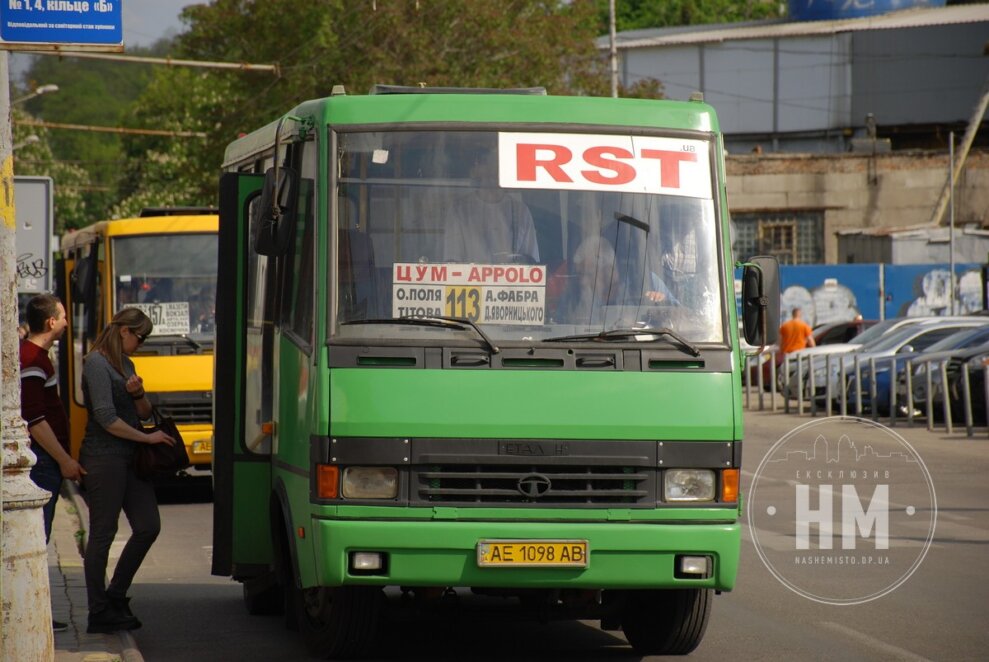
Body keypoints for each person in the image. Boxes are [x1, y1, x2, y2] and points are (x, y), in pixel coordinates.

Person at [80, 307, 176, 634]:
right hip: (103, 457)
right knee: (103, 533)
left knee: (148, 525)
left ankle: (116, 593)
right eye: (140, 336)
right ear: (124, 331)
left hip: (131, 457)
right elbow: (106, 418)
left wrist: (138, 394)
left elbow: (145, 413)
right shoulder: (95, 363)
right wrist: (146, 438)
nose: (142, 342)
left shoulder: (127, 364)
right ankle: (99, 610)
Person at [20, 293, 85, 634]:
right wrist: (64, 460)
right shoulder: (33, 358)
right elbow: (34, 417)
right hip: (44, 461)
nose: (65, 322)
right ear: (50, 322)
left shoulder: (37, 356)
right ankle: (31, 613)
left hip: (48, 459)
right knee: (35, 539)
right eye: (62, 317)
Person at [442, 148, 539, 264]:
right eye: (485, 163)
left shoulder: (521, 212)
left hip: (511, 281)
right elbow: (452, 263)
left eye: (496, 164)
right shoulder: (459, 210)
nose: (491, 170)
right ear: (474, 170)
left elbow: (531, 264)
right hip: (469, 282)